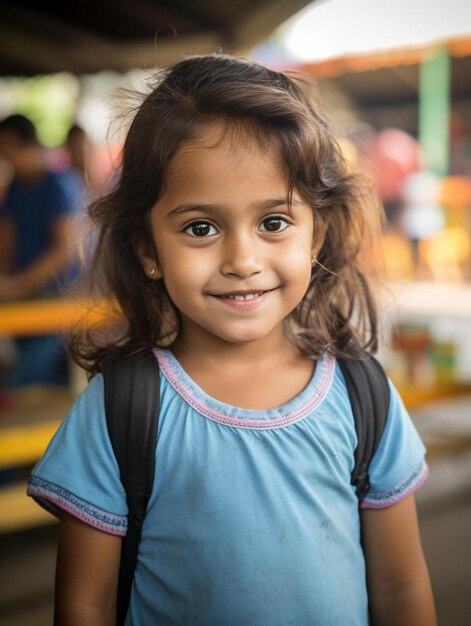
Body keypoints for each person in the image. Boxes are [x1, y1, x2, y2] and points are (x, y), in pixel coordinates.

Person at [27, 55, 436, 625]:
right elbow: (84, 605)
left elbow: (400, 589)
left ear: (316, 231)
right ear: (147, 249)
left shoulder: (364, 396)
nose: (243, 261)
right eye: (201, 227)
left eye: (274, 222)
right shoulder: (121, 411)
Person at [0, 114, 78, 386]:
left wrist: (18, 285)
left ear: (27, 144)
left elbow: (64, 250)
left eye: (7, 148)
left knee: (28, 376)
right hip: (27, 293)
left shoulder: (57, 185)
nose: (5, 156)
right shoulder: (15, 189)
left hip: (57, 294)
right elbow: (7, 240)